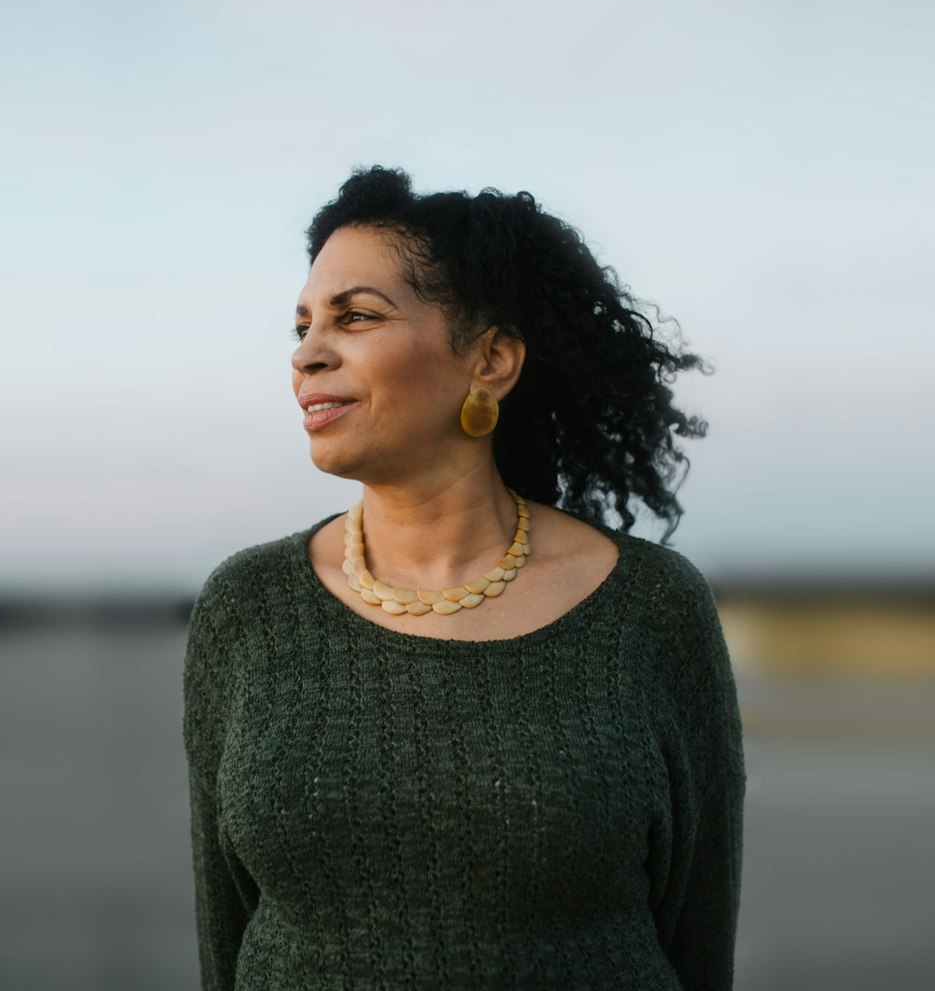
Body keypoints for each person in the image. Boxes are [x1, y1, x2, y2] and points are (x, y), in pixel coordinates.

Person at [183, 166, 746, 990]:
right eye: (301, 324)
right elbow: (224, 931)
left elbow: (697, 934)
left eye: (357, 316)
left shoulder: (649, 606)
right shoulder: (248, 608)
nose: (307, 353)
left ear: (490, 361)